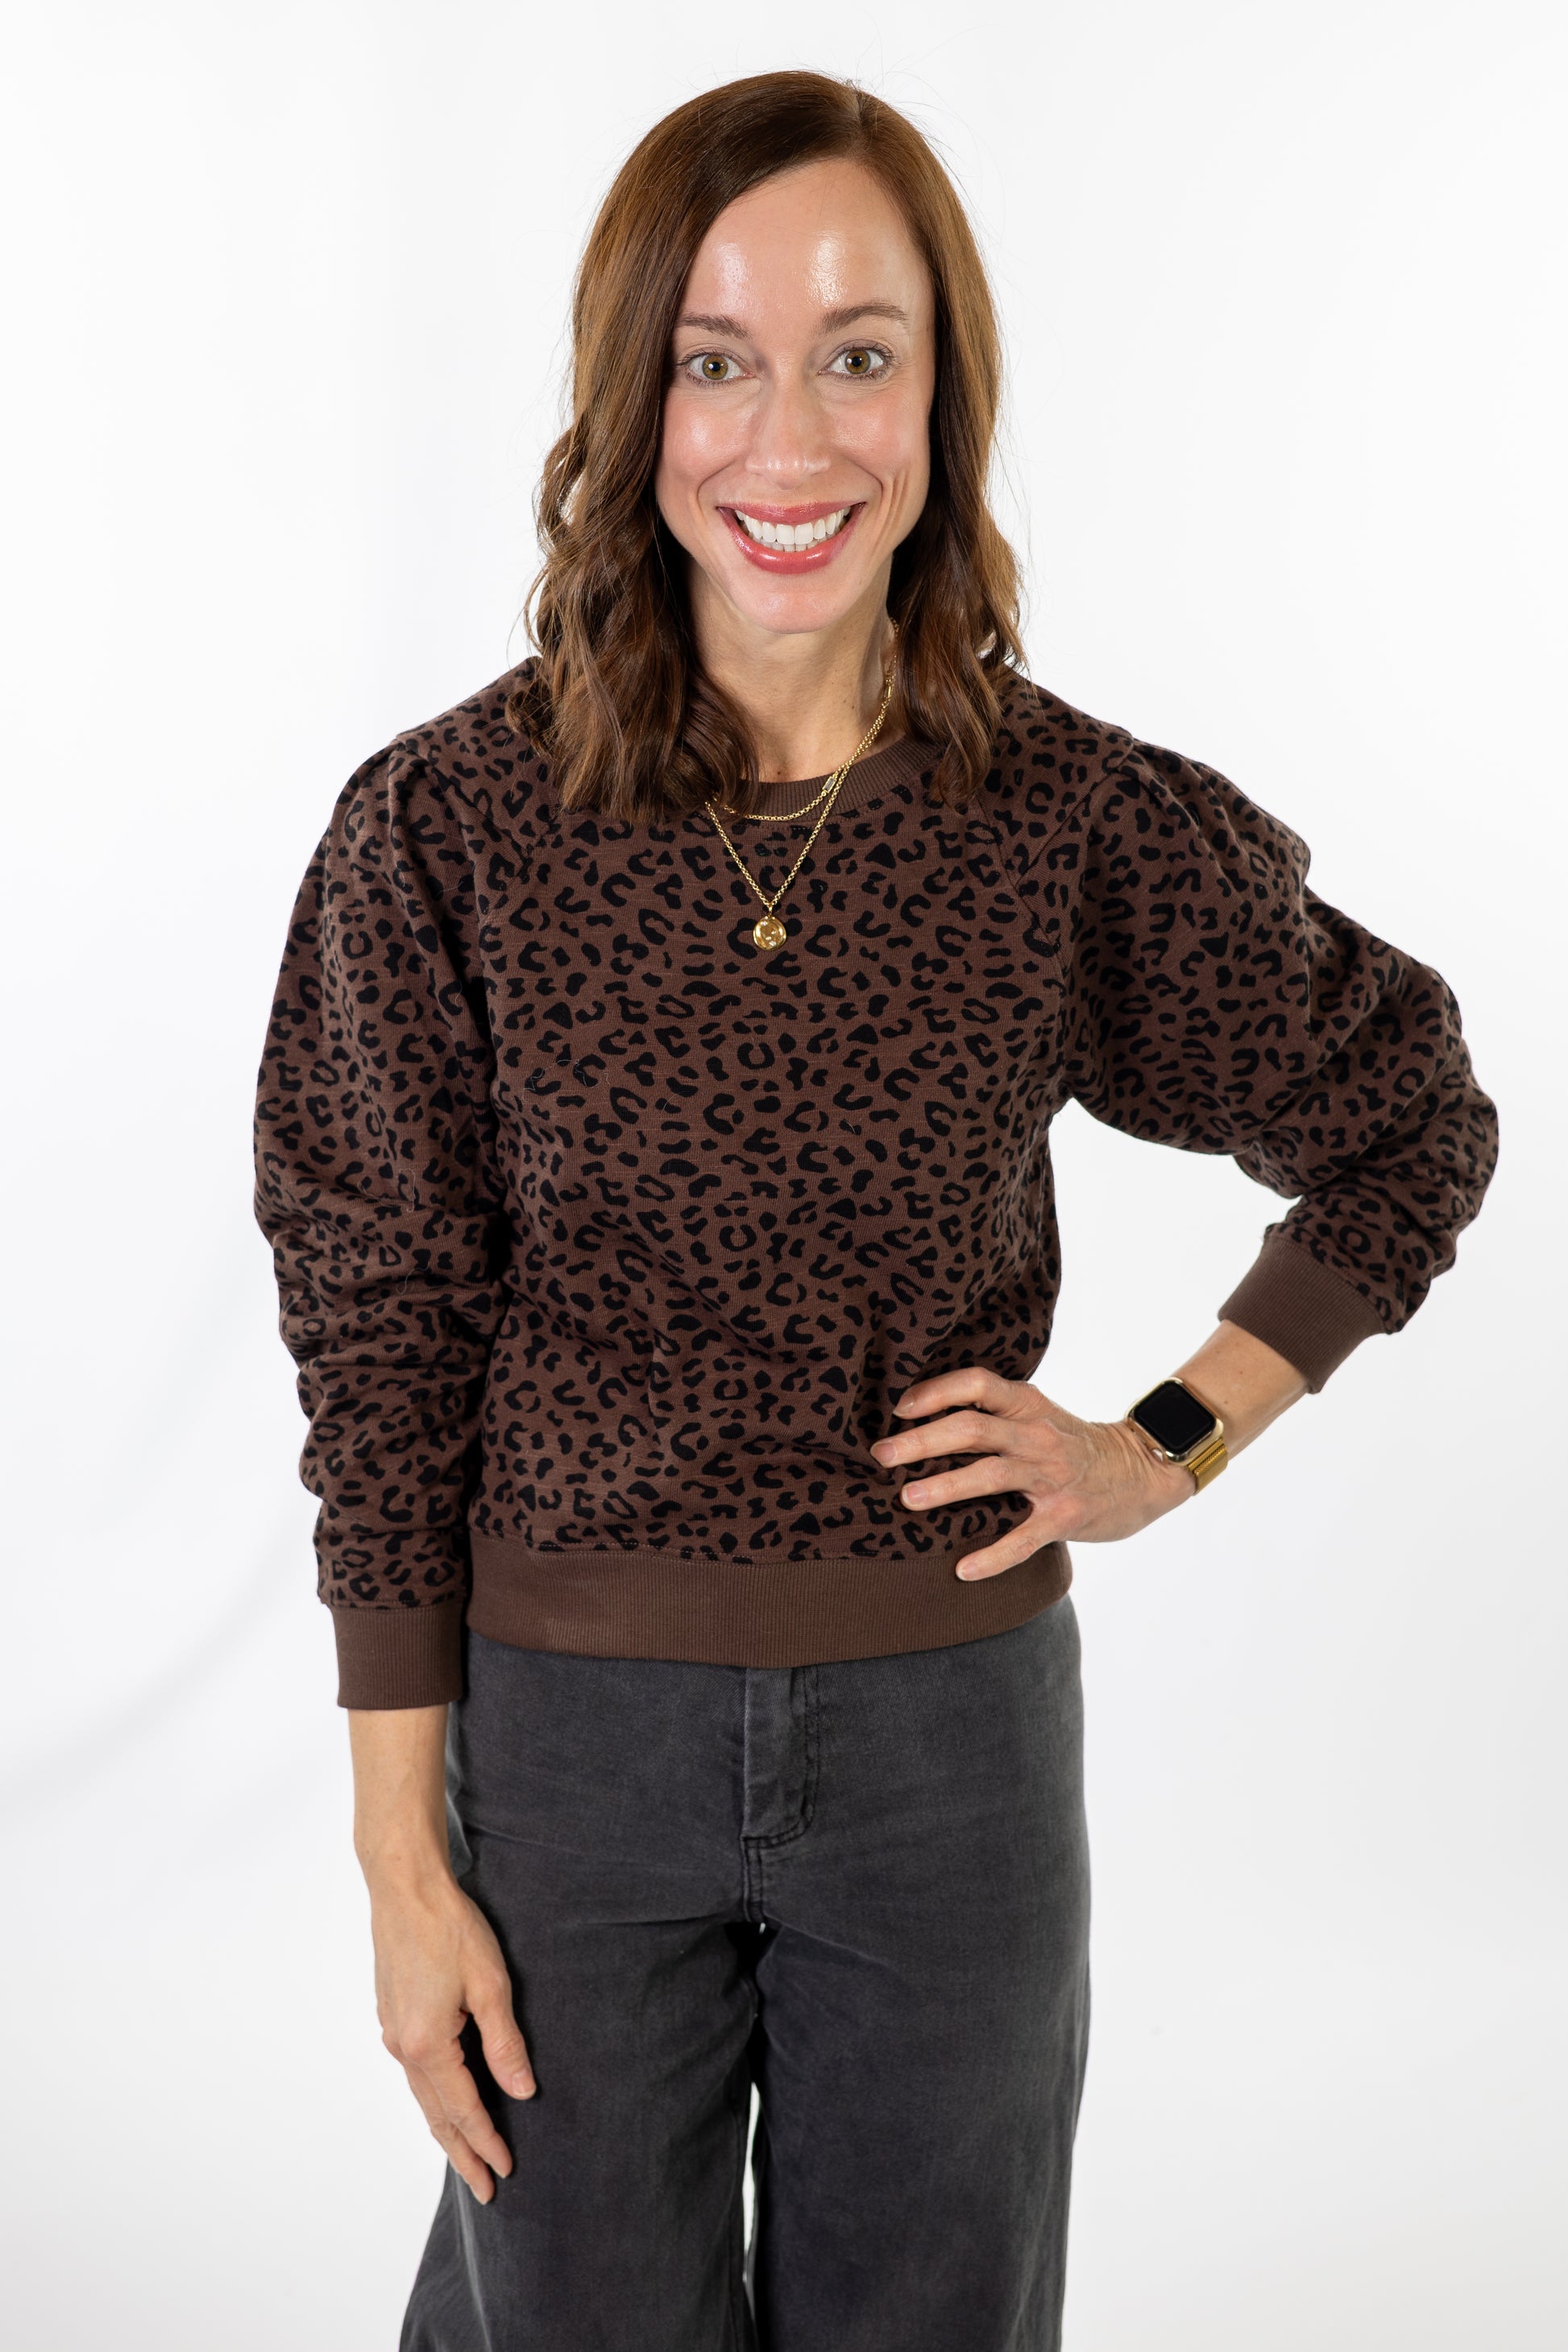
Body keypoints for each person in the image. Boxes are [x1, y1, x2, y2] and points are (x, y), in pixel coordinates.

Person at [253, 68, 1498, 2352]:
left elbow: (1406, 1112)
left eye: (859, 351)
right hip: (565, 1760)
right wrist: (395, 1862)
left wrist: (1165, 1440)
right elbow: (378, 1343)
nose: (786, 441)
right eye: (714, 361)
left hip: (946, 1767)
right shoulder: (442, 834)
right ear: (631, 402)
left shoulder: (1068, 823)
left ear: (945, 391)